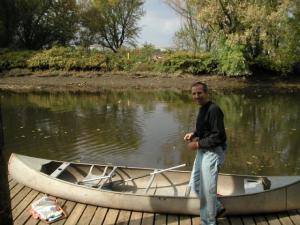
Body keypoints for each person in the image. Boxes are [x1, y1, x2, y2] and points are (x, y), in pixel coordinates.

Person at [184, 81, 227, 225]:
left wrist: (197, 144)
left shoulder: (214, 110)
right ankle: (217, 208)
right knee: (195, 184)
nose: (196, 96)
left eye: (199, 93)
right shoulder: (203, 108)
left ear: (206, 93)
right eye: (194, 93)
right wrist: (194, 133)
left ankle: (208, 222)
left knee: (207, 192)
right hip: (203, 150)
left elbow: (218, 136)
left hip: (212, 153)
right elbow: (205, 129)